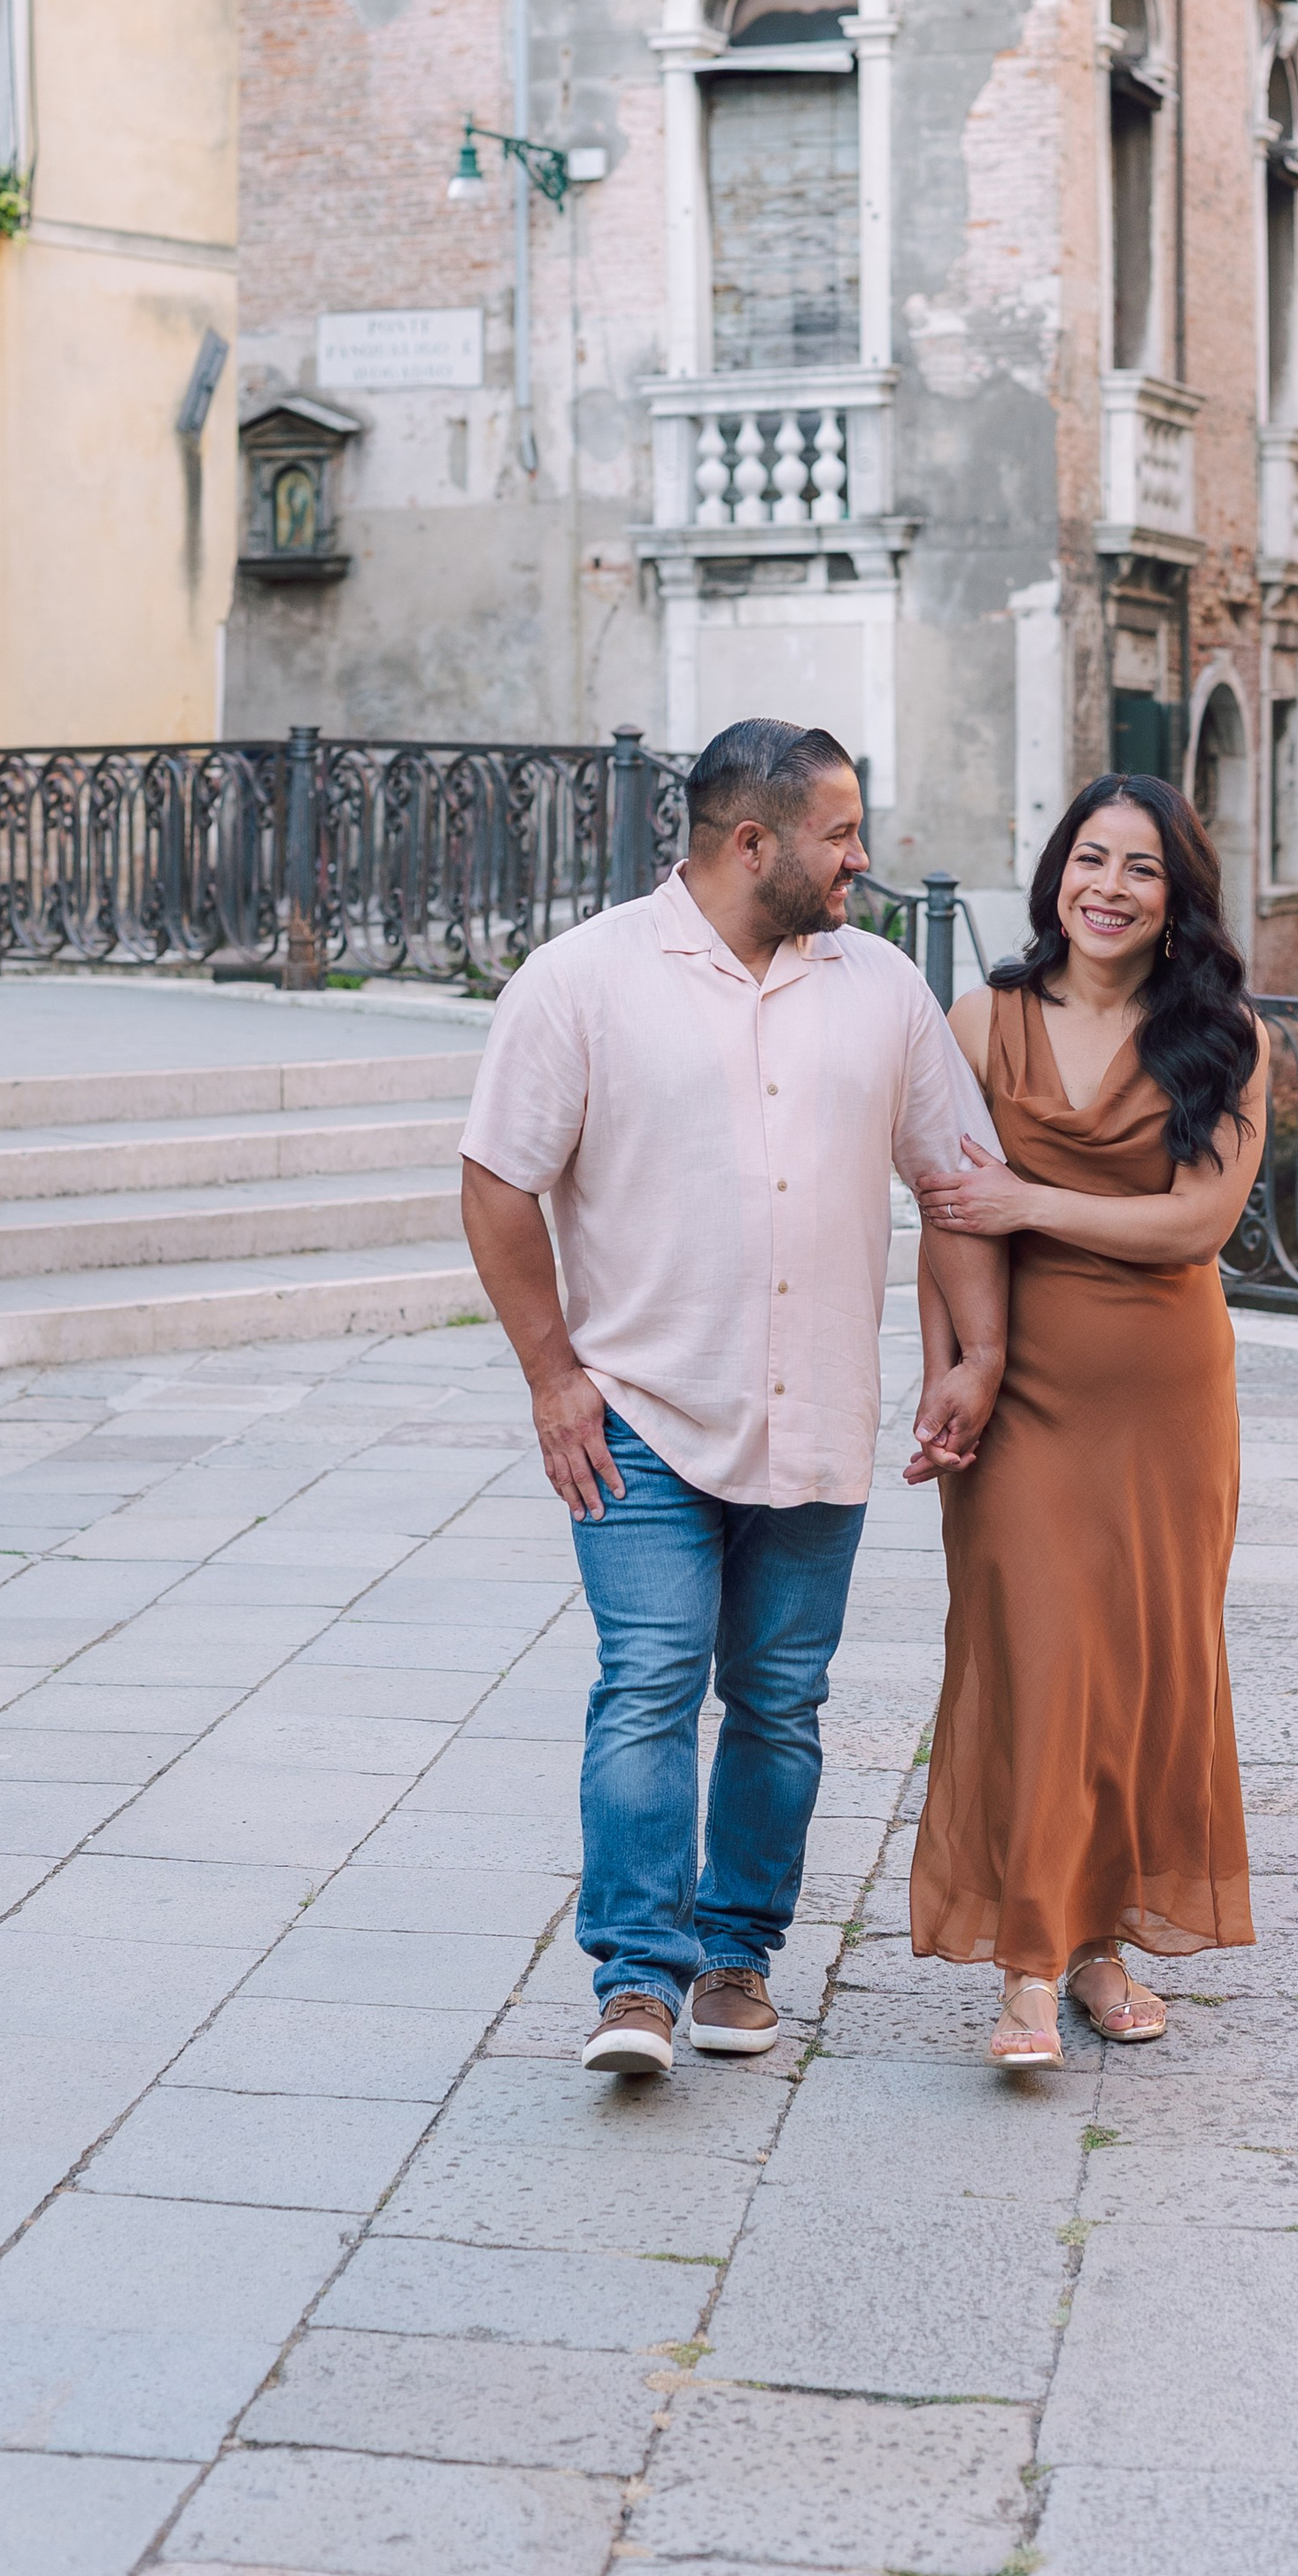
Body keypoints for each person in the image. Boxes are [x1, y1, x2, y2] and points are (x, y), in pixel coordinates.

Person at [459, 716, 1009, 2079]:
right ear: (752, 843)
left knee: (779, 1699)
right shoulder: (581, 981)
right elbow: (497, 1180)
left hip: (818, 1407)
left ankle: (737, 1958)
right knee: (648, 1683)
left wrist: (976, 1353)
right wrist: (551, 1377)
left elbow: (957, 1181)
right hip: (639, 1412)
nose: (863, 857)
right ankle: (636, 1982)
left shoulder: (883, 988)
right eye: (841, 833)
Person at [904, 771, 1270, 2070]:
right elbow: (946, 1219)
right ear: (1057, 871)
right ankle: (1026, 1968)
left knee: (1135, 1671)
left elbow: (1198, 1224)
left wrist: (1032, 1205)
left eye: (1141, 868)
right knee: (1036, 1661)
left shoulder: (1224, 1035)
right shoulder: (978, 1021)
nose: (1109, 888)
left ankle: (1097, 1943)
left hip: (1168, 1402)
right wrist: (949, 1372)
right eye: (1092, 859)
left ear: (1178, 898)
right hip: (1022, 1396)